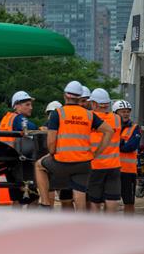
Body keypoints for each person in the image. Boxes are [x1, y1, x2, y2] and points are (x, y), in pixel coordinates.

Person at [34, 81, 114, 210]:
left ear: (65, 95)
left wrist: (52, 153)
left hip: (62, 162)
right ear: (79, 97)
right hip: (83, 163)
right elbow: (109, 131)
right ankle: (81, 223)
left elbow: (51, 142)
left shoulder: (58, 114)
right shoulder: (89, 115)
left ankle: (45, 203)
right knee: (79, 193)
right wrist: (96, 153)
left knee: (39, 166)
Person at [0, 91, 37, 206]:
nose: (31, 108)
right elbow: (32, 128)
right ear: (17, 105)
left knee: (16, 199)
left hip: (9, 163)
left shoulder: (6, 119)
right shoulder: (19, 119)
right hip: (21, 165)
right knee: (33, 199)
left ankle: (14, 222)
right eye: (27, 105)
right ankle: (32, 224)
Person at [86, 88, 122, 213]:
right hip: (114, 165)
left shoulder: (90, 118)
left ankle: (96, 230)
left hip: (95, 165)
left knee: (95, 201)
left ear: (95, 104)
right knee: (112, 199)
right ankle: (110, 228)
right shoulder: (117, 119)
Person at [45, 101, 74, 210]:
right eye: (50, 113)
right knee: (63, 198)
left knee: (65, 198)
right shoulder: (44, 128)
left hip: (62, 164)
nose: (51, 116)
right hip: (59, 165)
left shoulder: (64, 128)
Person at [114, 100, 141, 215]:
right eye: (122, 111)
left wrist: (116, 143)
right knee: (110, 201)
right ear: (115, 113)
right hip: (113, 169)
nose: (126, 114)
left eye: (127, 112)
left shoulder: (135, 128)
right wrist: (121, 143)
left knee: (129, 202)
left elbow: (131, 146)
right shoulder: (110, 127)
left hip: (128, 171)